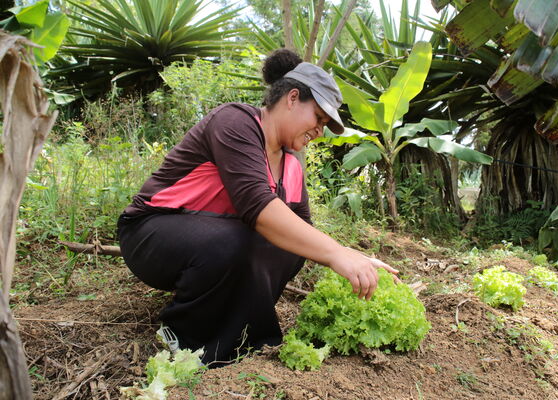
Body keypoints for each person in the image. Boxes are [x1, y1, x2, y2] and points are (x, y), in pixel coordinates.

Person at [117, 49, 398, 367]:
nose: (319, 131)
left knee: (289, 247)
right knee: (242, 237)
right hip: (149, 232)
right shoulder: (236, 121)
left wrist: (352, 255)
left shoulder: (291, 166)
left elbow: (303, 234)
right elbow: (257, 206)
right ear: (292, 98)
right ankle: (183, 335)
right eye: (318, 118)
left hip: (208, 239)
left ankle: (238, 337)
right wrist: (336, 254)